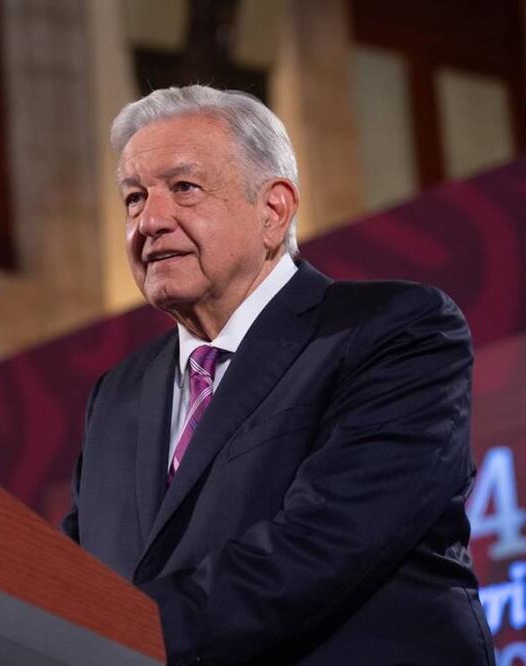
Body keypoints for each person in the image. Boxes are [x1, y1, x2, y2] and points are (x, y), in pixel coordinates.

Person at [61, 85, 494, 665]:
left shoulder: (394, 331)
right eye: (134, 198)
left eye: (184, 189)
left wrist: (119, 630)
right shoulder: (117, 395)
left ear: (274, 210)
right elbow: (70, 573)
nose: (150, 221)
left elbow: (328, 540)